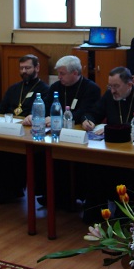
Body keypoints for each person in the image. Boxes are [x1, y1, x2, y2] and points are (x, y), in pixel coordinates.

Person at [81, 66, 134, 222]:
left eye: (116, 86)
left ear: (129, 84)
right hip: (111, 149)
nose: (112, 90)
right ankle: (96, 214)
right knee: (93, 166)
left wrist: (119, 128)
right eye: (110, 86)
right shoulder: (109, 96)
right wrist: (87, 120)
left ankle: (126, 217)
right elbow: (94, 112)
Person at [23, 55, 100, 208]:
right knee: (41, 153)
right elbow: (45, 106)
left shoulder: (91, 88)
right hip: (55, 135)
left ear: (75, 73)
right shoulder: (56, 87)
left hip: (78, 137)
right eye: (58, 73)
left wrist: (58, 119)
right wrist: (34, 115)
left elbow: (86, 112)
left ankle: (72, 197)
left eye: (62, 73)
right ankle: (50, 194)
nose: (59, 77)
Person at [0, 55, 50, 203]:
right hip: (8, 129)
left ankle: (10, 189)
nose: (24, 71)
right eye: (21, 68)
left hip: (27, 133)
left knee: (11, 152)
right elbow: (0, 110)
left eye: (27, 68)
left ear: (37, 68)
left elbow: (43, 115)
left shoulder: (44, 90)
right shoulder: (14, 88)